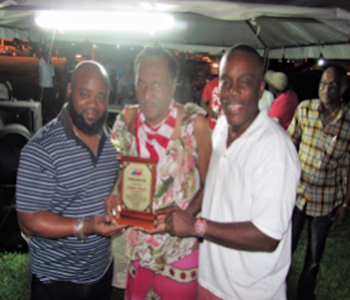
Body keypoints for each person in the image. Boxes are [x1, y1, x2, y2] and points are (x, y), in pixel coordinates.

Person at [157, 45, 301, 300]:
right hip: (211, 279)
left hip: (248, 292)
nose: (232, 92)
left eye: (243, 82)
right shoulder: (223, 126)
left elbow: (267, 236)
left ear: (259, 89)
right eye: (225, 82)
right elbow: (214, 181)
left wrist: (196, 225)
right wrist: (183, 214)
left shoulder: (274, 148)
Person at [105, 46, 212, 300]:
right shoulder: (128, 119)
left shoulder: (193, 124)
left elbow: (211, 184)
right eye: (141, 82)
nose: (147, 92)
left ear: (174, 84)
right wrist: (114, 193)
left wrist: (183, 217)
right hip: (139, 245)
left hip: (178, 248)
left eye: (157, 84)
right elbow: (124, 169)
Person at [16, 61, 126, 300]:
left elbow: (114, 176)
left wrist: (115, 192)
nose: (93, 106)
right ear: (69, 90)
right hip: (57, 280)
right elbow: (28, 221)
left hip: (101, 270)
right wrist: (85, 226)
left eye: (101, 97)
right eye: (84, 95)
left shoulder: (111, 141)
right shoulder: (42, 148)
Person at [288, 65, 350, 300]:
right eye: (323, 83)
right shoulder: (305, 109)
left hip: (325, 200)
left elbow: (348, 166)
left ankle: (305, 293)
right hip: (298, 193)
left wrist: (344, 204)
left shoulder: (347, 122)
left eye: (332, 85)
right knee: (287, 247)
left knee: (314, 256)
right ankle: (278, 288)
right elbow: (289, 143)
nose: (325, 89)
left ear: (343, 87)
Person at [38, 48, 56, 124]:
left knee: (49, 106)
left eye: (50, 55)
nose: (49, 56)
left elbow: (53, 77)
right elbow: (38, 53)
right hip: (43, 87)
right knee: (43, 106)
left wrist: (56, 89)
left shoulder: (51, 65)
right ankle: (43, 120)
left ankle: (48, 120)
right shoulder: (42, 63)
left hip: (50, 88)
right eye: (47, 54)